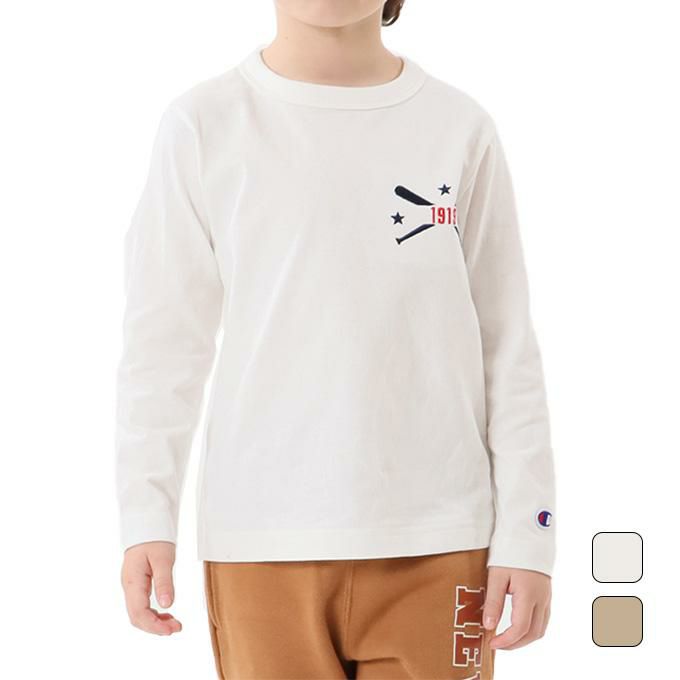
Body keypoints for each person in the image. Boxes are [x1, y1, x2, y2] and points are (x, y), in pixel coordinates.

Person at [116, 1, 556, 677]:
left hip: (439, 541)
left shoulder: (458, 127)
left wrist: (530, 535)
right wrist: (147, 515)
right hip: (262, 543)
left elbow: (507, 345)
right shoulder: (204, 125)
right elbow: (164, 344)